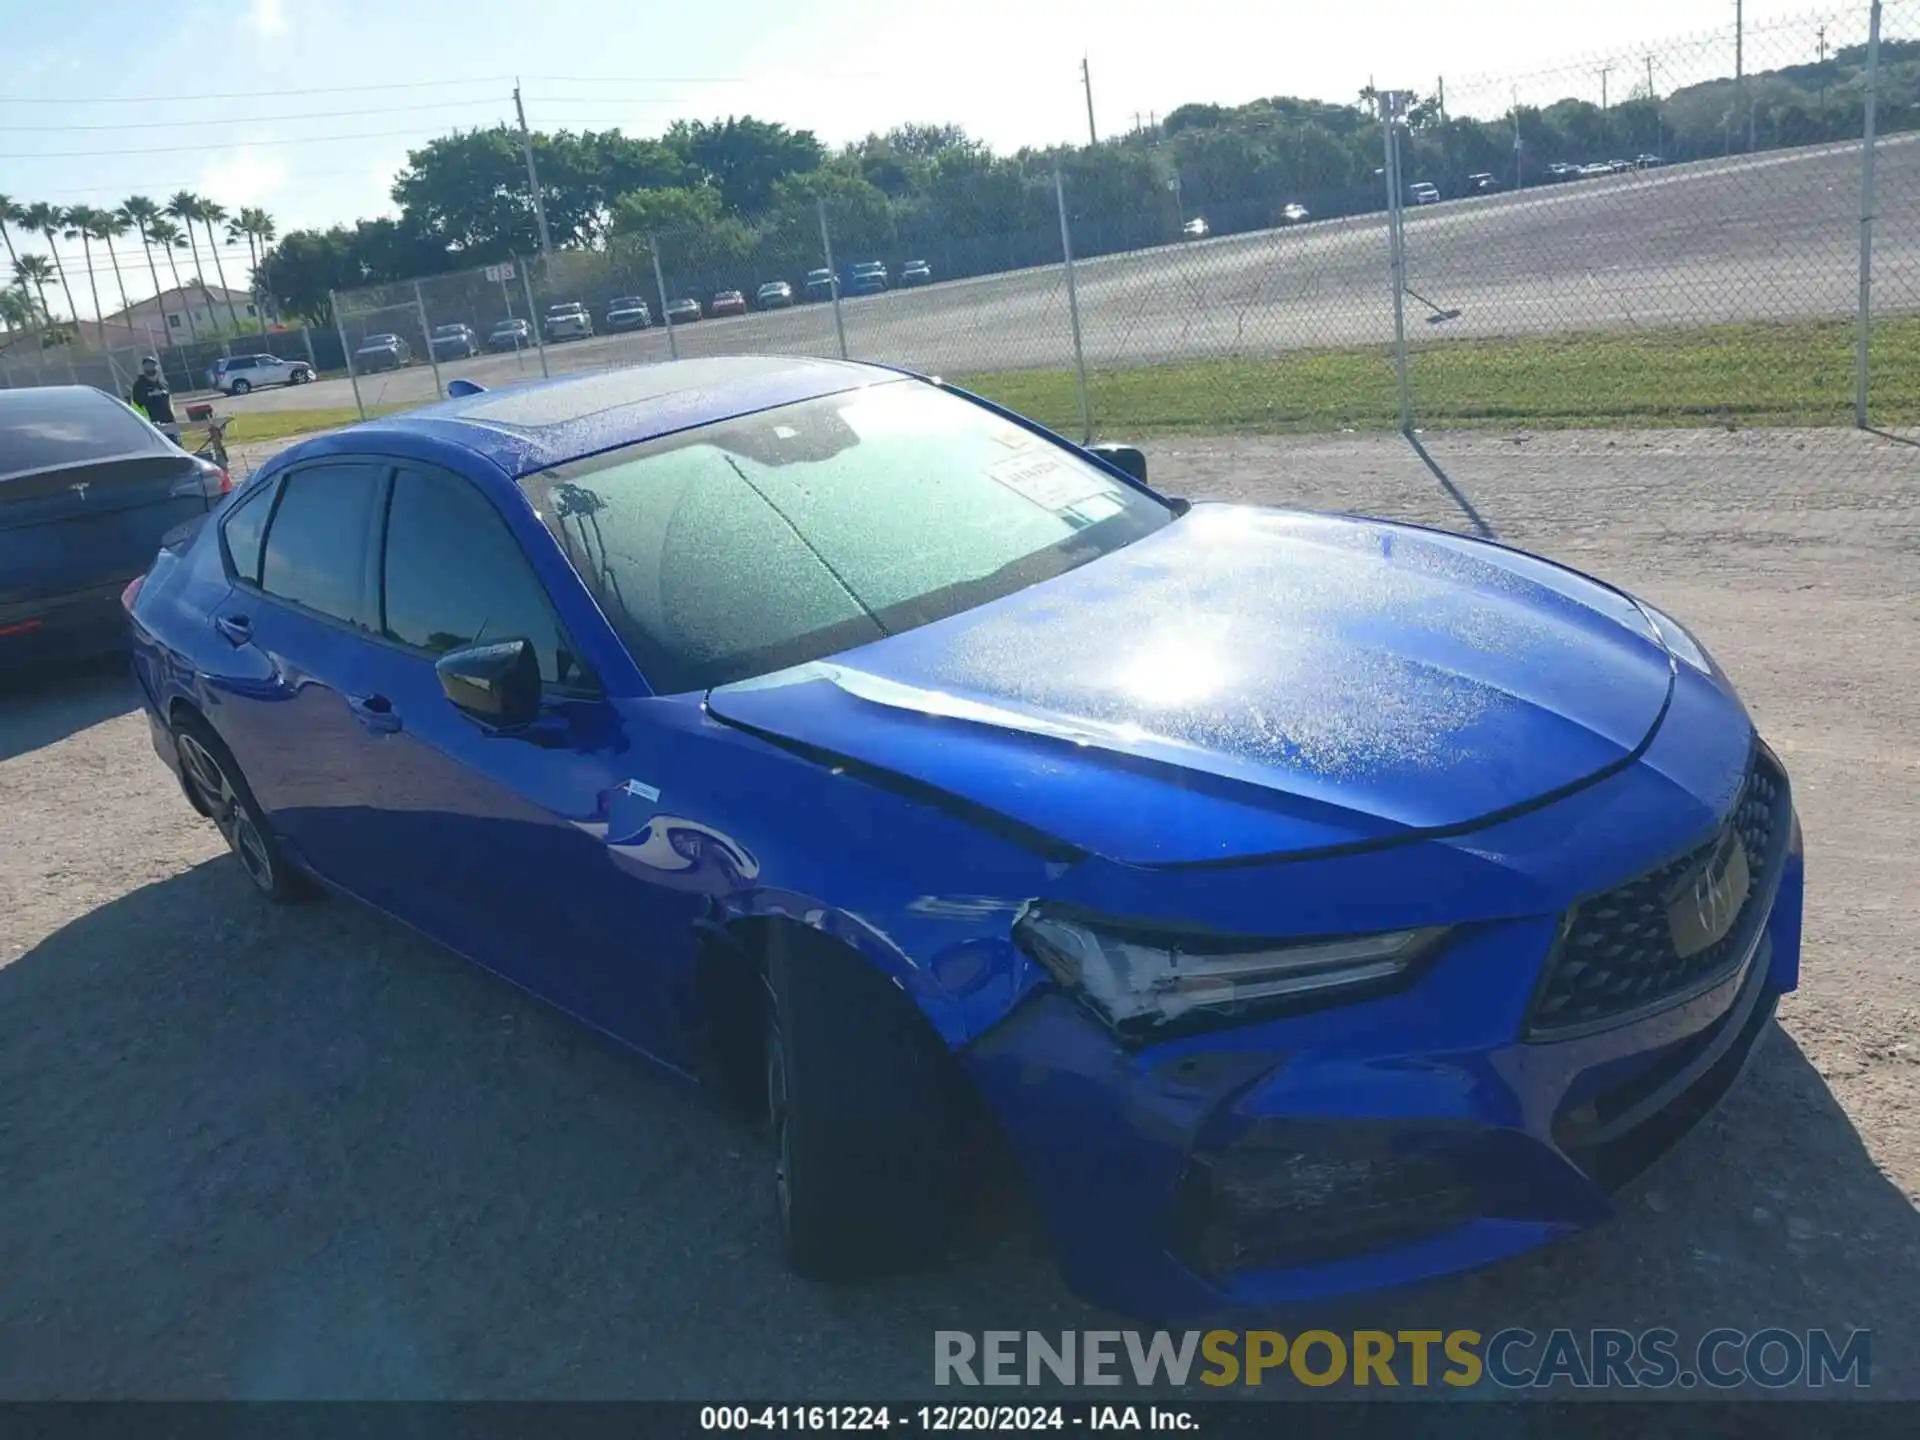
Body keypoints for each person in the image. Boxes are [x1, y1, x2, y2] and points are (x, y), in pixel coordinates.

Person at [129, 356, 180, 441]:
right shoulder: (139, 386)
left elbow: (169, 403)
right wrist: (147, 423)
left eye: (152, 365)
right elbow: (137, 407)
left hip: (169, 424)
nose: (150, 368)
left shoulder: (163, 384)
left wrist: (173, 421)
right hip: (152, 426)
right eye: (147, 365)